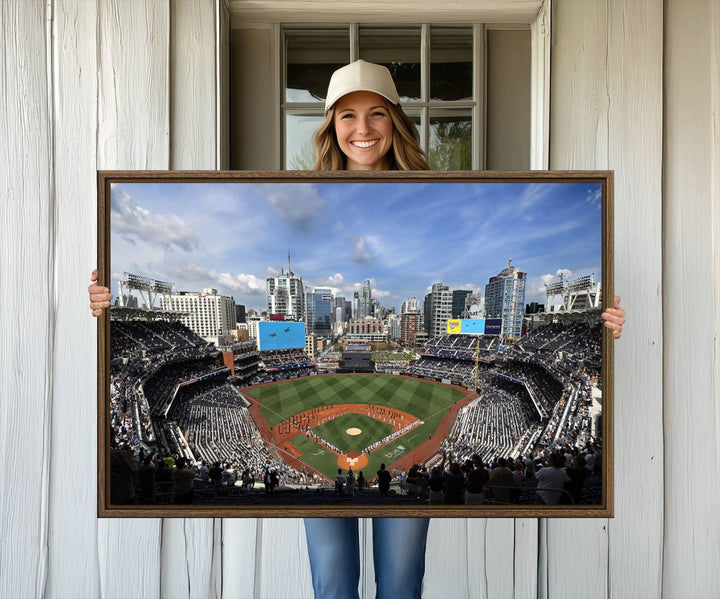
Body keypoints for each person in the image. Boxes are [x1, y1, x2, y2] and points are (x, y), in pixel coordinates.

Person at [88, 59, 626, 599]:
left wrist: (600, 324)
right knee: (333, 583)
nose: (362, 129)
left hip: (398, 488)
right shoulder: (301, 188)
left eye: (376, 114)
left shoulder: (436, 191)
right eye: (347, 116)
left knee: (400, 582)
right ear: (330, 126)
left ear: (395, 121)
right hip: (342, 480)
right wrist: (108, 303)